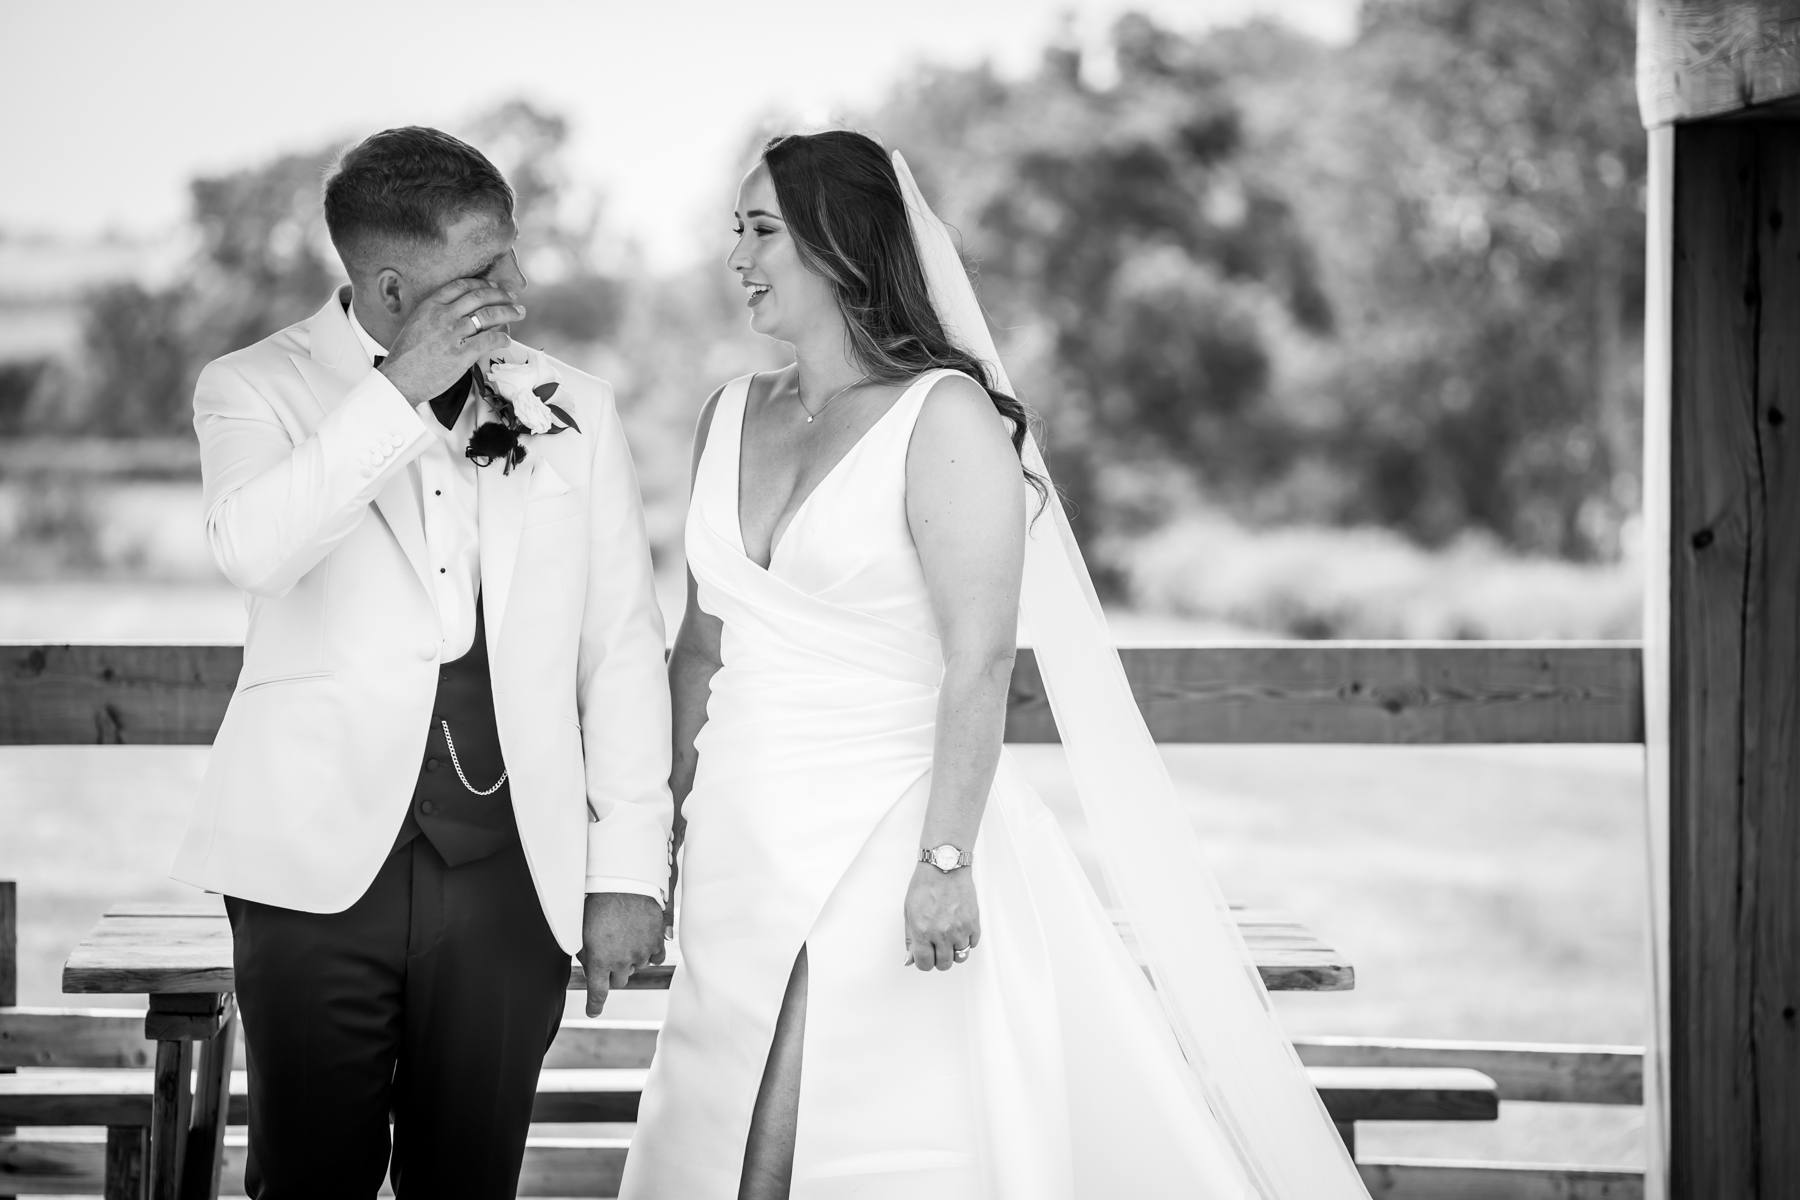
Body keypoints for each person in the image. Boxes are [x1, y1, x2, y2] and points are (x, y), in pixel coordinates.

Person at [623, 129, 1368, 1199]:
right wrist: (653, 836)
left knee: (797, 1149)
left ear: (838, 244)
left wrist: (945, 864)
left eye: (761, 232)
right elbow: (697, 646)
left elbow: (979, 662)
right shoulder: (727, 414)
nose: (736, 259)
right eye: (733, 232)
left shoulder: (946, 416)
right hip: (739, 846)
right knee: (711, 1138)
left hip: (886, 834)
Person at [171, 126, 672, 1199]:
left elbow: (621, 645)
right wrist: (399, 395)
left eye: (514, 254)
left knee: (471, 1178)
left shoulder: (574, 405)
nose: (518, 288)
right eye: (484, 272)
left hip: (508, 867)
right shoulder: (253, 386)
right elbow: (255, 550)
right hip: (310, 868)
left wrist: (627, 871)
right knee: (309, 1179)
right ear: (393, 288)